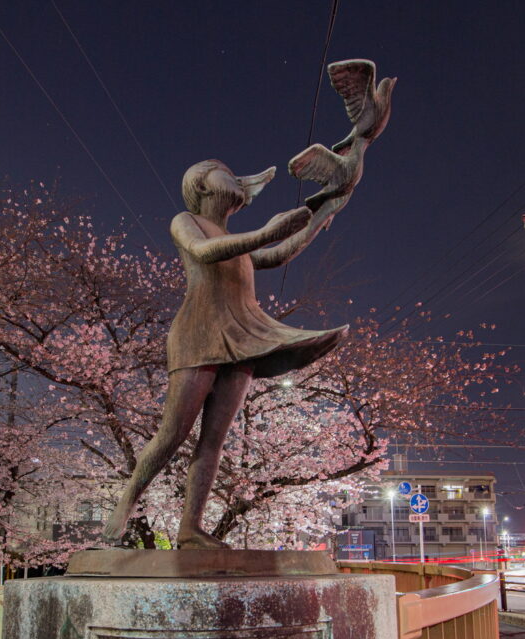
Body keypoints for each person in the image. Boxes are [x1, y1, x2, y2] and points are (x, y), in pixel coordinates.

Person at [102, 159, 348, 548]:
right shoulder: (187, 221)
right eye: (225, 172)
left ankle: (191, 529)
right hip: (198, 333)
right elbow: (203, 251)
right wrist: (264, 232)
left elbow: (278, 254)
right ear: (201, 186)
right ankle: (124, 507)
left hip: (243, 337)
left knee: (214, 439)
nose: (235, 178)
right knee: (173, 433)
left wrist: (321, 215)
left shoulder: (240, 245)